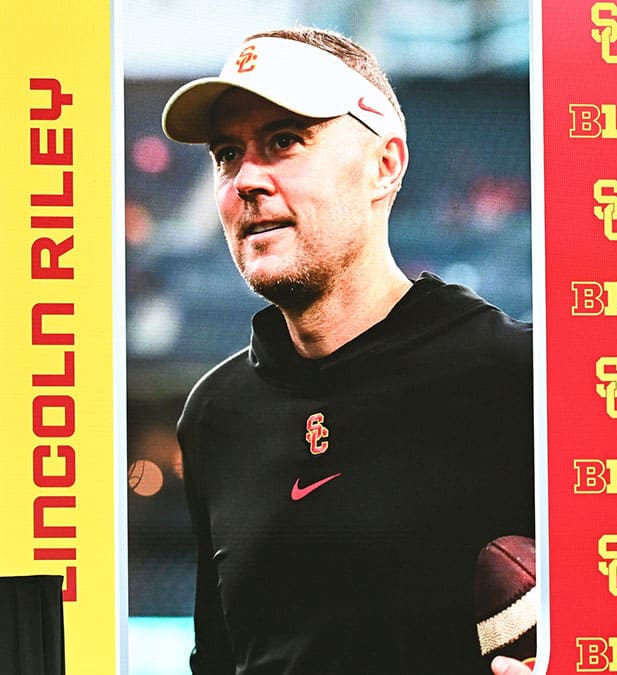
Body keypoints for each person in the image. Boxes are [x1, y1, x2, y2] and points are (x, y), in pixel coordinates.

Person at [162, 28, 534, 674]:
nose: (246, 177)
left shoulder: (520, 379)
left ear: (384, 165)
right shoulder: (215, 416)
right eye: (227, 153)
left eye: (284, 140)